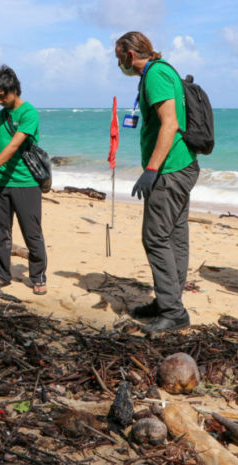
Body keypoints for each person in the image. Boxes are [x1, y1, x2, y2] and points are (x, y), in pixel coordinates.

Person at [115, 31, 199, 334]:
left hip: (169, 171)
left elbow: (170, 123)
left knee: (155, 237)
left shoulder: (155, 75)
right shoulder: (158, 72)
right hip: (180, 167)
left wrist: (151, 170)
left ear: (130, 54)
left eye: (118, 57)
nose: (119, 63)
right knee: (175, 235)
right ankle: (168, 301)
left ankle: (173, 311)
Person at [0, 65, 47, 295]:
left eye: (3, 95)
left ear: (14, 88)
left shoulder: (29, 113)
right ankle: (3, 275)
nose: (0, 100)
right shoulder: (1, 115)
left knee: (32, 232)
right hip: (2, 182)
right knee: (0, 231)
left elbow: (14, 146)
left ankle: (38, 277)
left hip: (26, 182)